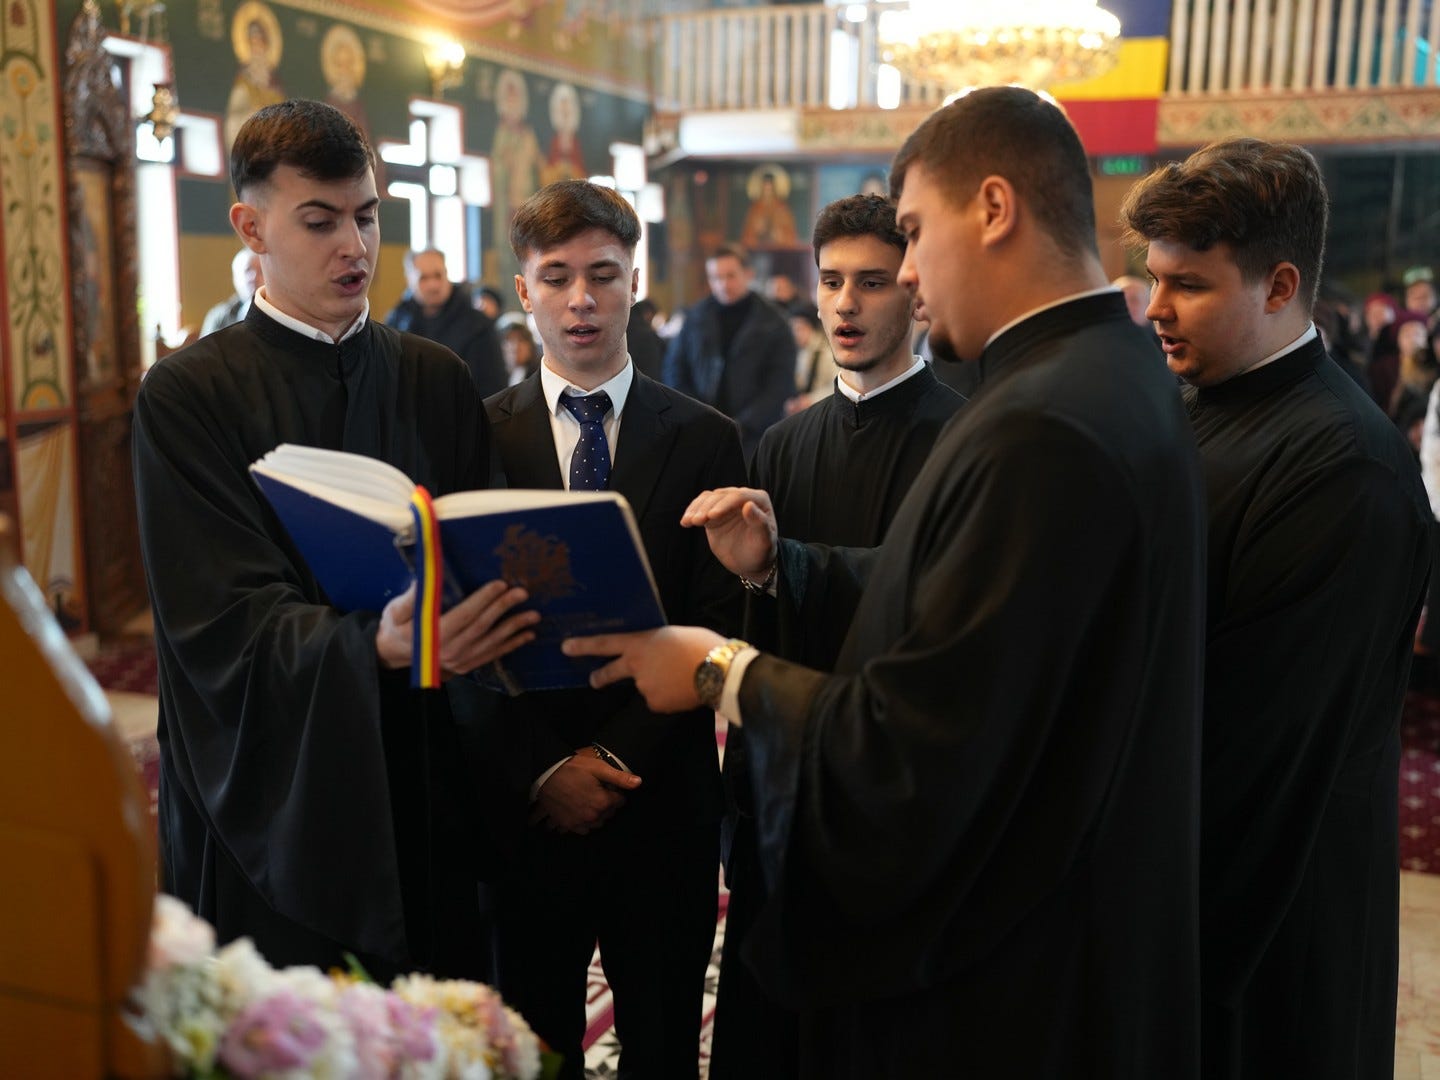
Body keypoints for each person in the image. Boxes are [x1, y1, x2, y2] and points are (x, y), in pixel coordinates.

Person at [568, 86, 1207, 1077]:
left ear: (992, 209)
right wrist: (781, 570)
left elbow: (921, 735)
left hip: (1019, 960)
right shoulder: (1111, 374)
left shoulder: (1037, 421)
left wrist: (714, 669)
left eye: (911, 234)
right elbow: (975, 626)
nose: (906, 274)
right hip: (1085, 908)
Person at [132, 99, 538, 982]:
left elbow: (484, 557)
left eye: (367, 216)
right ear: (251, 228)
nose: (354, 246)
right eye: (320, 221)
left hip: (425, 768)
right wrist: (372, 644)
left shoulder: (434, 377)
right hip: (278, 786)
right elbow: (218, 618)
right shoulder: (187, 395)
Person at [1122, 137, 1432, 1079]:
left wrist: (1140, 942)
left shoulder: (1344, 467)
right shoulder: (1191, 402)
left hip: (1264, 936)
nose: (1157, 307)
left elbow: (1258, 756)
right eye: (1154, 278)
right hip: (1179, 886)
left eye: (1189, 284)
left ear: (1279, 286)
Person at [482, 180, 747, 1080]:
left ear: (635, 281)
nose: (581, 299)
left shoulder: (707, 438)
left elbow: (715, 621)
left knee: (664, 1046)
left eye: (602, 274)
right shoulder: (479, 437)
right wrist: (545, 768)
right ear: (525, 290)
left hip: (662, 794)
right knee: (534, 1048)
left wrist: (615, 758)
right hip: (527, 798)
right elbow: (462, 632)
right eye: (556, 277)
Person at [709, 192, 965, 1080]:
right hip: (788, 785)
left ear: (916, 292)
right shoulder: (783, 446)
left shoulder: (965, 437)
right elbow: (758, 629)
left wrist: (787, 564)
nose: (846, 304)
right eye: (830, 282)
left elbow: (936, 608)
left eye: (873, 282)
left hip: (902, 791)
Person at [663, 244, 796, 462]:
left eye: (730, 276)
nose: (723, 284)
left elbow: (779, 384)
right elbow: (675, 371)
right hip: (700, 431)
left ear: (748, 274)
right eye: (715, 278)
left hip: (754, 437)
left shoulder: (774, 322)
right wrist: (698, 415)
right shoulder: (695, 317)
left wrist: (742, 425)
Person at [385, 248, 506, 396]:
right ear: (409, 280)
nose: (433, 285)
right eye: (423, 278)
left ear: (447, 274)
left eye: (438, 275)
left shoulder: (478, 326)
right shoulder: (395, 324)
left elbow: (494, 389)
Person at [200, 248, 264, 336]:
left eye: (261, 271)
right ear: (235, 278)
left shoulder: (279, 313)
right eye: (247, 270)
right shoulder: (220, 316)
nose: (253, 277)